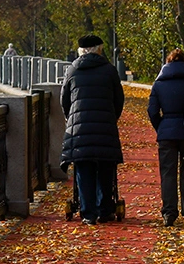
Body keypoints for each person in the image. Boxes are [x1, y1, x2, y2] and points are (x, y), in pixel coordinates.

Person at [61, 34, 125, 225]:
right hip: (105, 126)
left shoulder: (72, 70)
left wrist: (71, 119)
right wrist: (111, 118)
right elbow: (118, 100)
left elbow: (64, 100)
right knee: (106, 167)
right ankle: (105, 210)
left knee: (83, 168)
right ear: (99, 49)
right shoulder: (109, 70)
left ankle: (88, 213)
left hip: (79, 129)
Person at [147, 49, 184, 226]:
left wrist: (162, 127)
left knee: (168, 173)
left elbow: (152, 111)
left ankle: (169, 213)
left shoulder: (159, 84)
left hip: (167, 133)